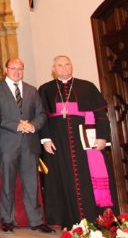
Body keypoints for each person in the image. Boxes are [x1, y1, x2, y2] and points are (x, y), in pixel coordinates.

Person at [39, 55, 119, 227]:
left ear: (72, 66)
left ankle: (97, 218)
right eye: (60, 65)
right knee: (63, 179)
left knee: (88, 179)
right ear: (53, 69)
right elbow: (42, 117)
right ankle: (68, 219)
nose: (64, 68)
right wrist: (45, 139)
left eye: (67, 64)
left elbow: (101, 116)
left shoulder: (87, 86)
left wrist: (102, 137)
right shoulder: (46, 89)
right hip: (58, 144)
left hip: (86, 144)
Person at [0, 58, 53, 233]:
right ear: (6, 69)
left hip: (29, 143)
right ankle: (7, 219)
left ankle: (36, 221)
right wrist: (16, 125)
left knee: (31, 183)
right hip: (7, 143)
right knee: (7, 182)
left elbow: (41, 114)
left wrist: (32, 125)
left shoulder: (32, 90)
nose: (16, 72)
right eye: (13, 68)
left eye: (20, 69)